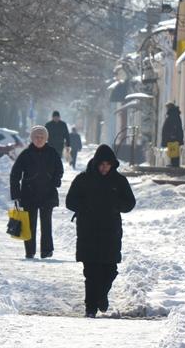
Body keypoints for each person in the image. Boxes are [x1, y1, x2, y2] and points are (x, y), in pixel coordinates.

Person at [65, 144, 136, 317]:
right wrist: (85, 207)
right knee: (91, 272)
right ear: (96, 163)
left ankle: (102, 295)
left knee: (110, 269)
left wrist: (115, 206)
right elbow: (70, 201)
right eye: (101, 164)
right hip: (88, 231)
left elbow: (130, 202)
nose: (104, 168)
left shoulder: (119, 181)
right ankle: (90, 308)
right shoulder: (83, 179)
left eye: (107, 164)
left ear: (112, 164)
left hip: (110, 231)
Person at [9, 125, 63, 259]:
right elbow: (15, 174)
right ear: (32, 139)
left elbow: (59, 169)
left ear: (46, 139)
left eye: (42, 137)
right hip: (29, 193)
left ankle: (47, 250)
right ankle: (29, 251)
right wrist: (16, 194)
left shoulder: (52, 153)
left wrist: (55, 181)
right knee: (29, 225)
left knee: (46, 224)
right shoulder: (26, 154)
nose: (39, 139)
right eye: (36, 137)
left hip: (48, 193)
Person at [161, 102, 184, 168]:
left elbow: (175, 125)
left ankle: (175, 164)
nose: (166, 109)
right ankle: (173, 163)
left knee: (174, 150)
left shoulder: (173, 114)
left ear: (170, 107)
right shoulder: (173, 113)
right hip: (173, 136)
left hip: (173, 136)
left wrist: (173, 134)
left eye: (167, 107)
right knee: (172, 149)